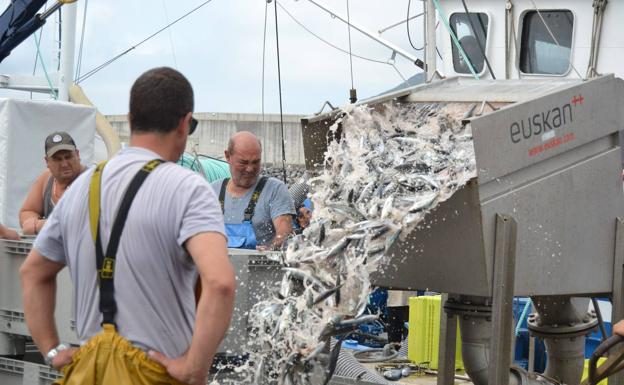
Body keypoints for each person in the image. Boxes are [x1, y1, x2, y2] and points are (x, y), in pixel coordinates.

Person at [20, 67, 236, 385]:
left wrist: (52, 351)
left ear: (131, 118)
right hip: (156, 372)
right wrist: (193, 367)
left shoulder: (82, 187)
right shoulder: (189, 188)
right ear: (184, 123)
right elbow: (220, 283)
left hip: (88, 371)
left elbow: (32, 273)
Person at [212, 131, 295, 250]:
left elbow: (284, 233)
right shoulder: (211, 191)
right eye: (243, 162)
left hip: (259, 267)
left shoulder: (275, 190)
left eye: (256, 162)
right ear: (227, 156)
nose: (250, 169)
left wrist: (271, 249)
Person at [19, 131, 85, 235]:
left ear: (77, 154)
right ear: (47, 161)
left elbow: (81, 223)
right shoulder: (46, 179)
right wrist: (32, 222)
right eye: (57, 159)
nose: (64, 164)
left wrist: (40, 225)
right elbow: (27, 211)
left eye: (68, 157)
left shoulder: (89, 180)